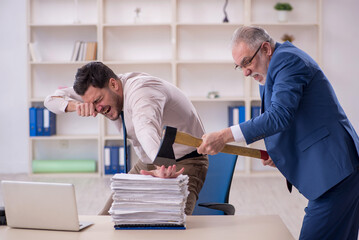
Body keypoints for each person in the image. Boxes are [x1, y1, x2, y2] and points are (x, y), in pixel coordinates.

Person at [197, 26, 359, 239]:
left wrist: (224, 135)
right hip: (335, 169)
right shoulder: (270, 68)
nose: (245, 72)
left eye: (247, 62)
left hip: (336, 170)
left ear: (266, 48)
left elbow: (279, 115)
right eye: (239, 66)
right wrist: (281, 151)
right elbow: (295, 116)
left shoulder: (288, 61)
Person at [44, 62, 208, 215]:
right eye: (92, 105)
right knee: (106, 218)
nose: (98, 109)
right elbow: (50, 100)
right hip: (148, 160)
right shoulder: (96, 92)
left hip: (185, 161)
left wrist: (161, 166)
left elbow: (146, 128)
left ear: (114, 84)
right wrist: (77, 105)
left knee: (173, 221)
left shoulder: (142, 91)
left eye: (98, 101)